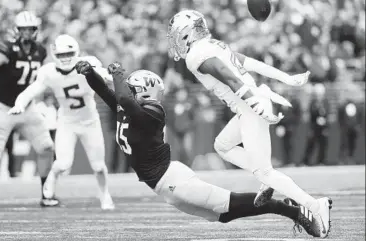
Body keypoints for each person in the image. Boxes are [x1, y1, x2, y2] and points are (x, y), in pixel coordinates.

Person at [74, 60, 325, 238]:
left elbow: (125, 98)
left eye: (130, 86)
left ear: (141, 91)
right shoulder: (129, 107)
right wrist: (89, 75)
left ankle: (293, 211)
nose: (125, 89)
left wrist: (118, 74)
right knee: (224, 216)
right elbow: (107, 93)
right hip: (163, 186)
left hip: (172, 180)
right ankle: (287, 206)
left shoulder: (152, 112)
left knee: (230, 204)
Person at [166, 10, 332, 238]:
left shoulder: (196, 54)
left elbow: (230, 78)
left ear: (189, 33)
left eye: (178, 35)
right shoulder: (214, 45)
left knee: (265, 171)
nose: (176, 41)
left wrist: (256, 106)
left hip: (249, 106)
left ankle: (314, 206)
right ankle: (269, 184)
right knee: (223, 145)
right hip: (249, 105)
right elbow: (249, 63)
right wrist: (285, 77)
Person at [8, 34, 114, 210]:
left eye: (68, 53)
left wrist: (112, 76)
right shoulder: (49, 72)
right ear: (54, 54)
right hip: (67, 122)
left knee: (99, 166)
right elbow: (31, 91)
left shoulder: (87, 63)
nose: (65, 58)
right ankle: (53, 176)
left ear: (76, 52)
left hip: (90, 121)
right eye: (61, 54)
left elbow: (104, 75)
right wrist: (19, 103)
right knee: (63, 163)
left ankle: (105, 194)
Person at [0, 11, 58, 207]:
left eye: (30, 29)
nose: (27, 33)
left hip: (27, 108)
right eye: (24, 29)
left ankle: (46, 194)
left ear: (36, 30)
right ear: (17, 30)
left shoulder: (41, 51)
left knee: (46, 147)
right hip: (2, 108)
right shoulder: (7, 49)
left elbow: (46, 75)